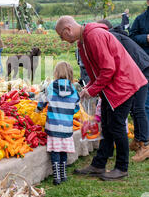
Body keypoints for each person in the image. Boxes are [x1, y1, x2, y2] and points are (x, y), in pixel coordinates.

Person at [55, 16, 147, 181]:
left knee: (116, 126)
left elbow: (108, 69)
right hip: (112, 87)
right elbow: (95, 71)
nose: (63, 40)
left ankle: (122, 167)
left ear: (67, 30)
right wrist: (90, 87)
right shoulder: (83, 41)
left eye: (61, 36)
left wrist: (93, 90)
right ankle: (98, 164)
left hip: (122, 85)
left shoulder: (94, 36)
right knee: (106, 124)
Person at [98, 19, 149, 162]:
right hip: (138, 68)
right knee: (134, 108)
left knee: (139, 108)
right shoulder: (114, 35)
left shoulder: (112, 37)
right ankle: (138, 139)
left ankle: (145, 144)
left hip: (141, 70)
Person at [36, 61, 80, 185]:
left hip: (53, 126)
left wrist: (38, 109)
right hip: (66, 127)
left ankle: (57, 177)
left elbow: (42, 100)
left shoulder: (50, 87)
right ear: (70, 74)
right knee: (63, 150)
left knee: (55, 151)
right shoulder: (73, 89)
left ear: (56, 73)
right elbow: (76, 107)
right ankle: (64, 174)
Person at [129, 0, 149, 126]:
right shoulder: (140, 19)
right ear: (148, 1)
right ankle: (146, 134)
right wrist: (146, 38)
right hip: (145, 64)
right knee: (145, 101)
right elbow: (131, 38)